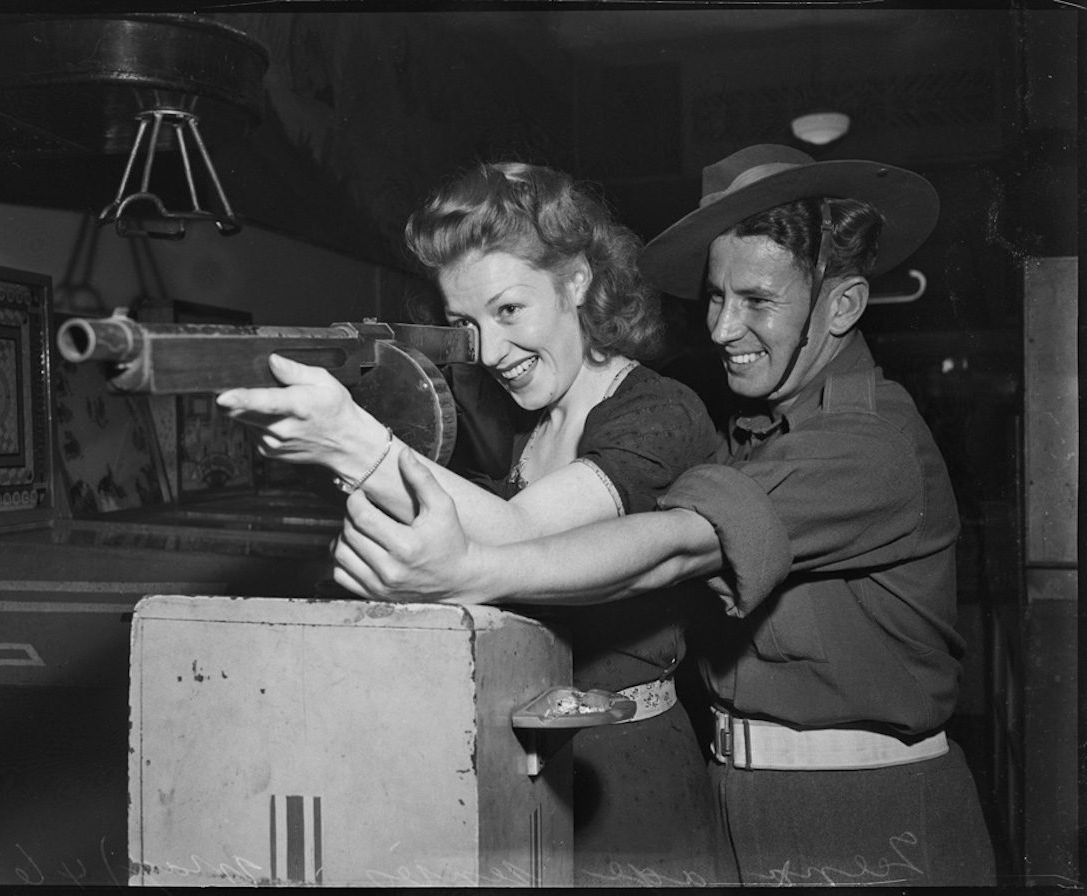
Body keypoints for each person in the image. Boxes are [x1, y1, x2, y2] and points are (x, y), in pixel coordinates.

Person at [331, 145, 998, 887]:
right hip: (731, 801)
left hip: (860, 818)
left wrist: (471, 568)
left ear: (840, 305)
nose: (720, 329)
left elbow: (677, 547)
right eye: (715, 297)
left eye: (757, 301)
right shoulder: (757, 432)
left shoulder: (870, 446)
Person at [216, 161, 726, 885]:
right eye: (465, 323)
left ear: (577, 281)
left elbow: (521, 538)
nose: (487, 351)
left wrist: (353, 443)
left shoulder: (661, 415)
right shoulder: (533, 433)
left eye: (509, 310)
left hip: (631, 781)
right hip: (528, 771)